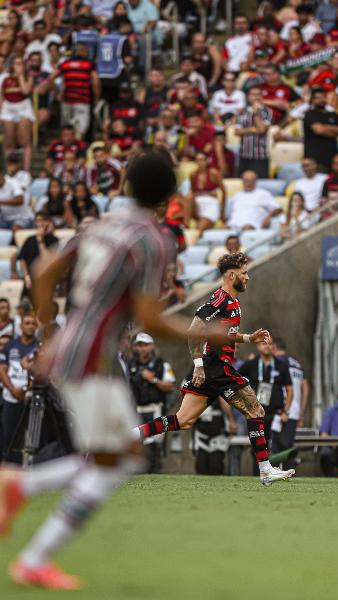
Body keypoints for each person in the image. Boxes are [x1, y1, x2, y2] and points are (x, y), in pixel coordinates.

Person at [0, 151, 225, 590]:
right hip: (92, 357)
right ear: (169, 198)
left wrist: (50, 328)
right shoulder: (154, 240)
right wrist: (211, 333)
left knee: (120, 456)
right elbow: (152, 319)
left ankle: (21, 492)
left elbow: (44, 271)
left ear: (125, 186)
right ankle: (32, 548)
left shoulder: (99, 225)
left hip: (74, 348)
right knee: (115, 463)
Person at [132, 252, 296, 487]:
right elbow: (193, 330)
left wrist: (250, 337)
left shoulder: (234, 302)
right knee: (255, 410)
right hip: (217, 367)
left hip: (213, 368)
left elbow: (225, 334)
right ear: (232, 275)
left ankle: (132, 435)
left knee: (184, 420)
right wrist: (198, 364)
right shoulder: (219, 300)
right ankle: (265, 470)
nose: (248, 277)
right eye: (244, 273)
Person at [128, 332, 175, 473]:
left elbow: (170, 385)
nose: (143, 349)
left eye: (146, 345)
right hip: (135, 410)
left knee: (153, 445)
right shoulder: (130, 365)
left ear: (152, 346)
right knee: (136, 444)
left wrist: (153, 379)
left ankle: (154, 474)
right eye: (140, 345)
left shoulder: (161, 365)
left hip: (154, 409)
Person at [239, 337, 292, 458]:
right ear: (257, 346)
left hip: (276, 414)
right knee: (257, 446)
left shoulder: (281, 365)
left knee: (276, 446)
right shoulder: (250, 364)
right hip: (255, 413)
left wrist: (285, 411)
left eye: (270, 343)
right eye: (263, 343)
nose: (267, 346)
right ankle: (256, 475)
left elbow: (290, 389)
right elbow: (236, 380)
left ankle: (276, 472)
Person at [0, 314, 38, 463]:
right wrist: (12, 389)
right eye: (27, 323)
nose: (30, 326)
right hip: (10, 398)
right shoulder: (10, 345)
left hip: (31, 400)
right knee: (9, 438)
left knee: (32, 438)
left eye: (33, 323)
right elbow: (2, 370)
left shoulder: (39, 346)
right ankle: (10, 470)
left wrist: (27, 389)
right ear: (21, 326)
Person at [272, 336, 309, 469]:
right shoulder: (297, 364)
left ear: (274, 348)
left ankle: (274, 475)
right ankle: (289, 473)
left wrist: (283, 410)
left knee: (274, 446)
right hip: (294, 411)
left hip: (280, 410)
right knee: (287, 445)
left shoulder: (276, 363)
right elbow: (305, 387)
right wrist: (301, 412)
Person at [55, 42, 100, 139]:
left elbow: (53, 77)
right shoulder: (89, 64)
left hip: (67, 101)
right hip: (82, 101)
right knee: (81, 129)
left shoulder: (65, 64)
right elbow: (96, 82)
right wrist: (96, 99)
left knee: (66, 128)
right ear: (84, 51)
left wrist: (58, 94)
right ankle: (77, 148)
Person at [0, 56, 35, 172]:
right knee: (9, 142)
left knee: (25, 141)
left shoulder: (28, 77)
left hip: (23, 107)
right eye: (16, 63)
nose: (18, 66)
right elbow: (1, 96)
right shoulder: (5, 78)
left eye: (21, 63)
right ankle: (8, 169)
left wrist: (20, 75)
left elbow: (25, 91)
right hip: (8, 108)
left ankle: (26, 171)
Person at [304, 87, 338, 171]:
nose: (322, 100)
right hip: (316, 160)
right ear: (312, 100)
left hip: (333, 160)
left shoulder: (333, 114)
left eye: (323, 97)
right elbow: (319, 130)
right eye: (318, 98)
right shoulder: (310, 114)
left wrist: (327, 128)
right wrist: (336, 132)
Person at [17, 212, 59, 298]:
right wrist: (26, 276)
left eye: (42, 220)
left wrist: (40, 240)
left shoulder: (54, 240)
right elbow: (22, 260)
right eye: (37, 221)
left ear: (48, 222)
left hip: (46, 281)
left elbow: (46, 259)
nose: (40, 224)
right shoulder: (29, 239)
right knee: (25, 306)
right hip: (30, 281)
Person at [235, 86, 272, 178]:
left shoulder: (267, 111)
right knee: (242, 183)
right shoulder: (242, 112)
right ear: (248, 96)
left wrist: (256, 113)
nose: (256, 97)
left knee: (261, 184)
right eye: (253, 94)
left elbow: (261, 130)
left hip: (260, 156)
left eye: (258, 94)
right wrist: (252, 129)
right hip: (244, 155)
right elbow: (237, 132)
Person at [187, 151, 226, 234]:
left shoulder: (214, 173)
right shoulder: (193, 175)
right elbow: (192, 192)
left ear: (207, 160)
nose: (200, 163)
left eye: (202, 160)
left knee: (200, 227)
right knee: (189, 197)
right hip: (197, 205)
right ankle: (185, 224)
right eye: (197, 160)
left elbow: (223, 192)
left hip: (210, 204)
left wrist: (222, 211)